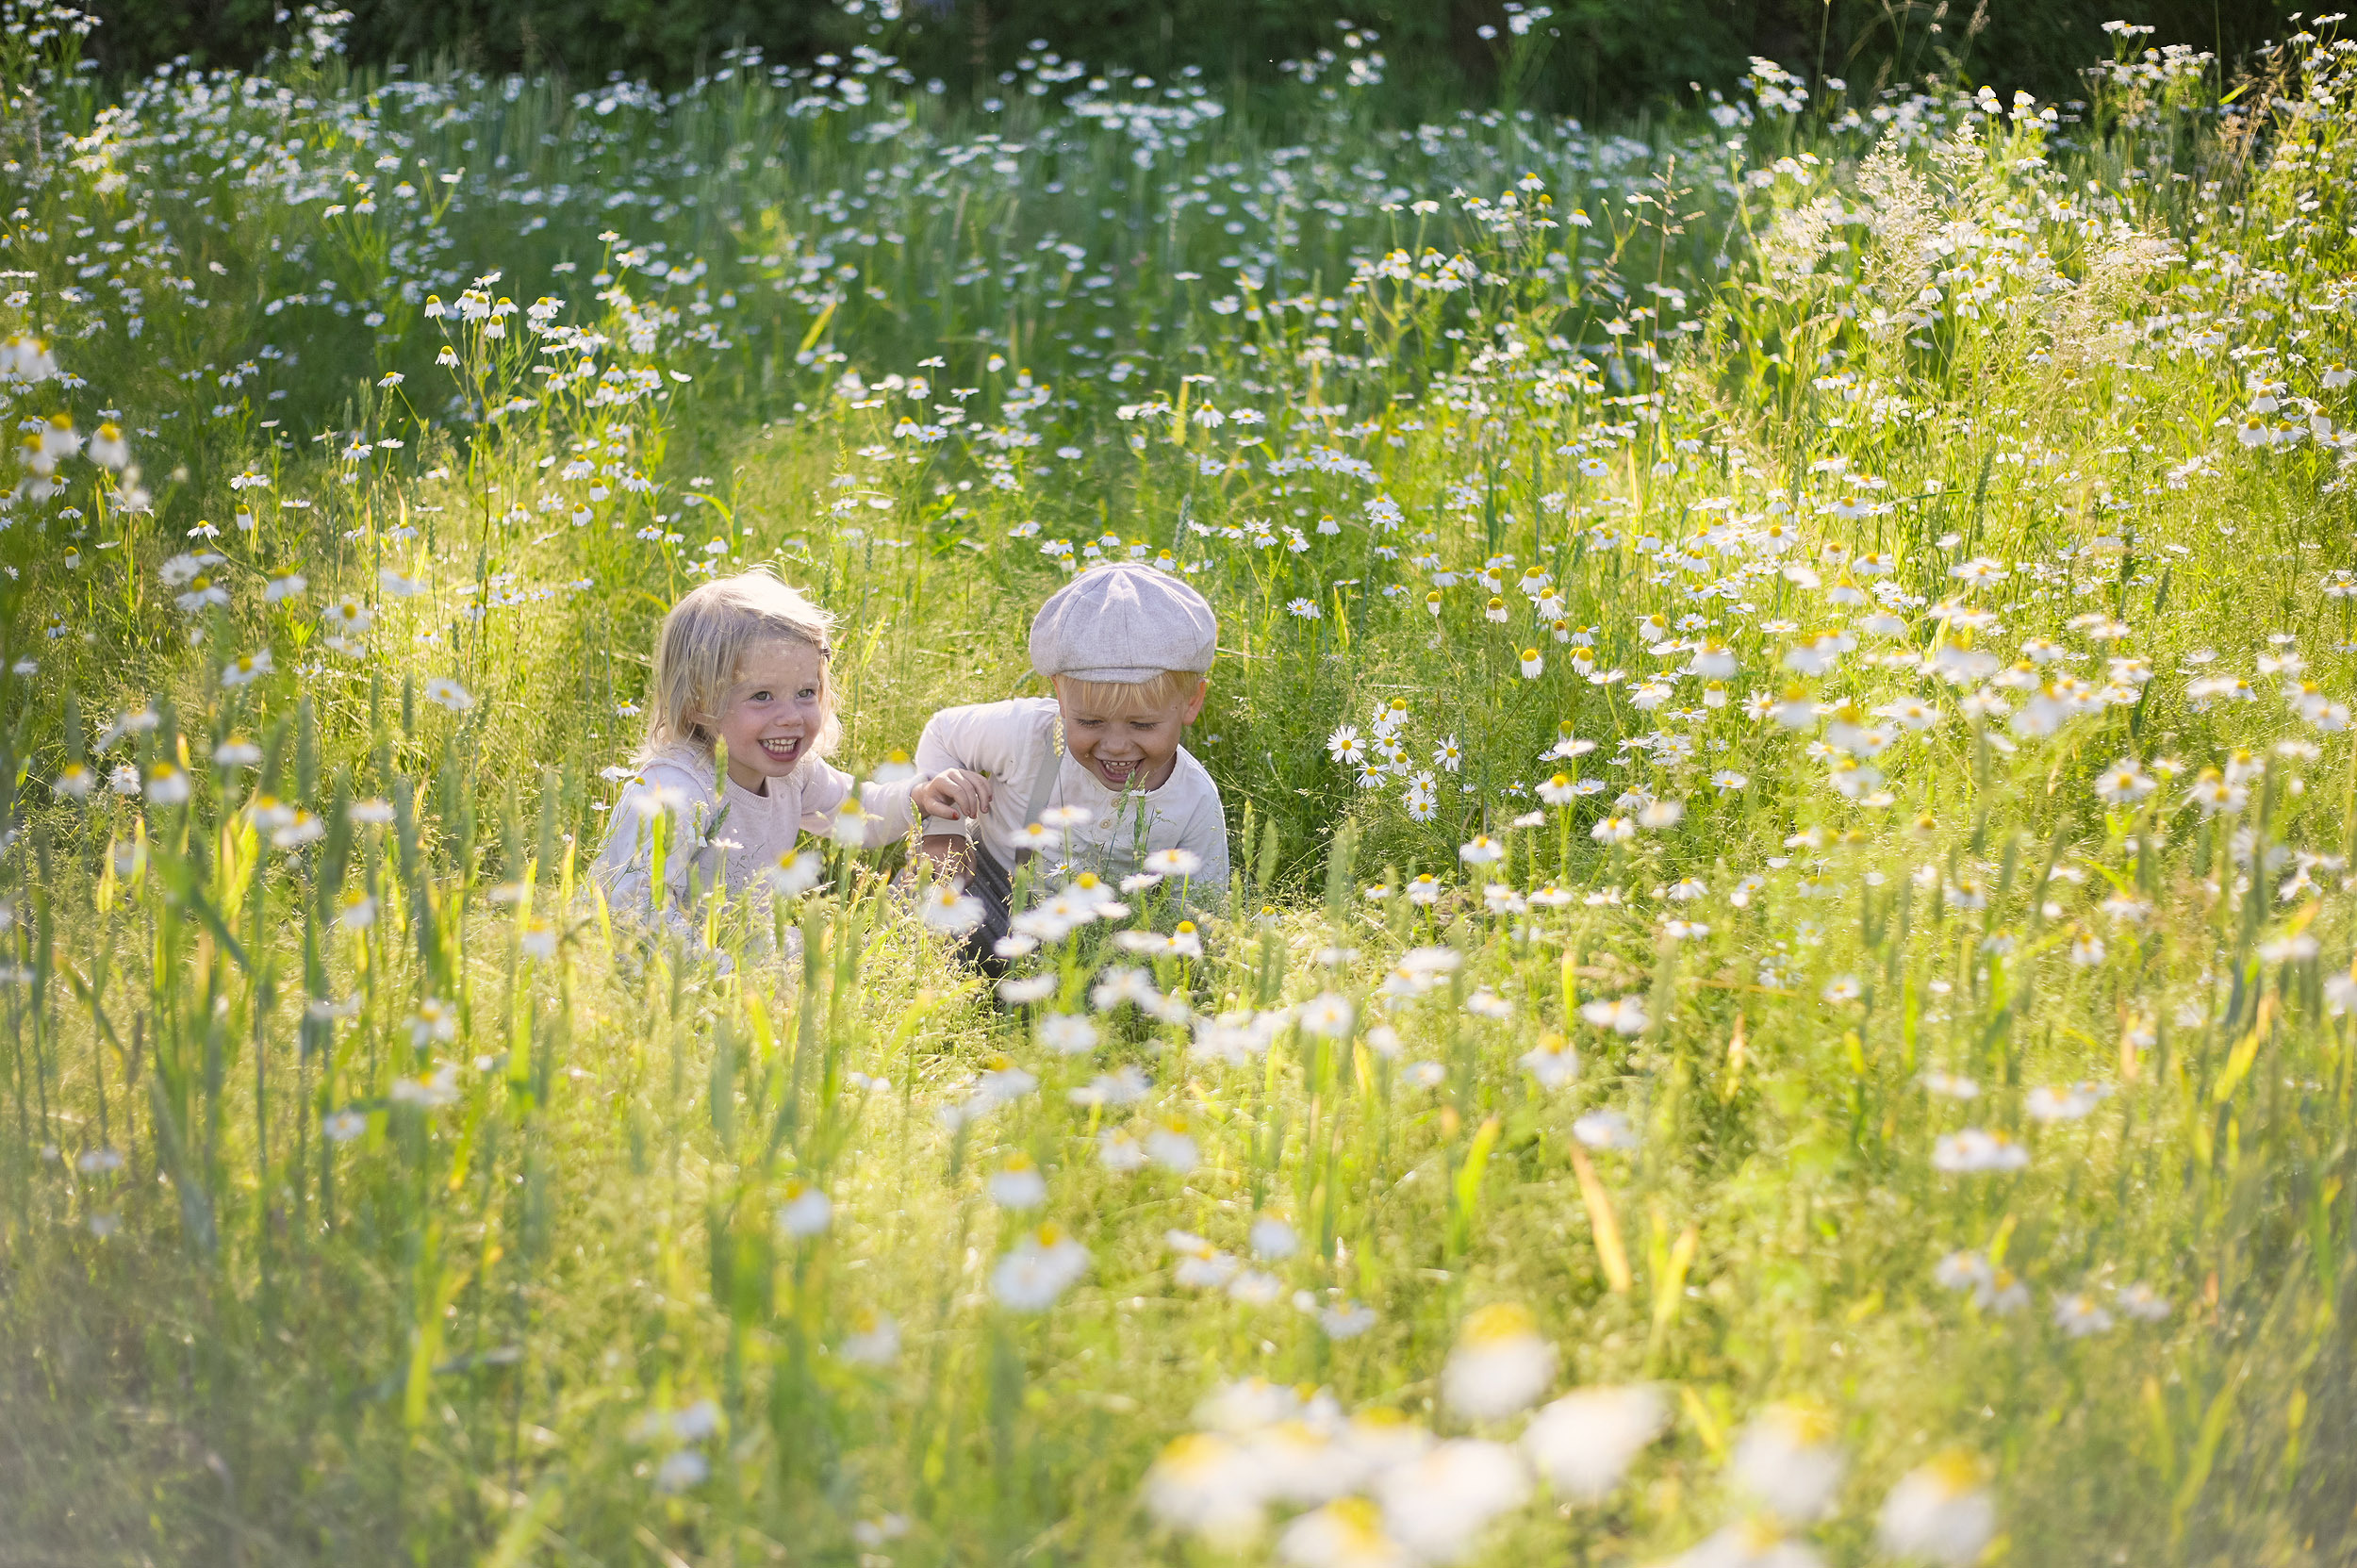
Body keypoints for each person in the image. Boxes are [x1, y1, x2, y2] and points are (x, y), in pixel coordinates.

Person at [592, 569, 990, 917]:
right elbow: (634, 911)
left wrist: (918, 797)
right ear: (698, 703)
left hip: (746, 951)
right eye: (762, 696)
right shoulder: (673, 793)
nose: (792, 717)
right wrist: (725, 974)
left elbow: (856, 812)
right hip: (670, 974)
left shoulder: (791, 773)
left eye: (805, 691)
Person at [911, 561, 1230, 959]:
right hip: (990, 882)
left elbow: (1203, 909)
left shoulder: (1193, 800)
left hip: (1096, 936)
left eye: (1143, 725)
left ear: (1192, 702)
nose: (1115, 745)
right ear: (1059, 695)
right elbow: (942, 733)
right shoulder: (1027, 732)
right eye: (1090, 721)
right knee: (922, 912)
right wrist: (945, 829)